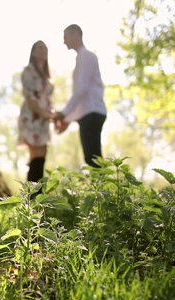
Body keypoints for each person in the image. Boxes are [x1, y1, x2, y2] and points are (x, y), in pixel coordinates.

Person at [53, 24, 107, 168]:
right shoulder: (82, 58)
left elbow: (81, 90)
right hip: (89, 113)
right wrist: (68, 119)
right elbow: (83, 97)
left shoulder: (86, 56)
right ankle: (104, 188)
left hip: (92, 113)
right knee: (92, 158)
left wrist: (64, 113)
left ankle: (108, 189)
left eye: (66, 37)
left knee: (93, 159)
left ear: (75, 34)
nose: (64, 41)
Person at [18, 40, 54, 182]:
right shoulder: (28, 71)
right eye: (40, 48)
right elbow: (29, 97)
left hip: (43, 119)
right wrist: (42, 112)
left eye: (45, 49)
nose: (43, 51)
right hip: (32, 116)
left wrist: (51, 114)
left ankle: (37, 194)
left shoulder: (46, 76)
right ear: (33, 52)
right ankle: (32, 196)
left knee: (42, 154)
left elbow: (47, 99)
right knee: (35, 154)